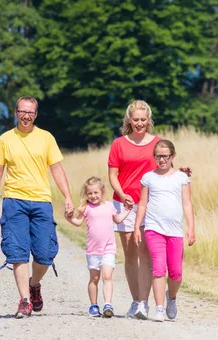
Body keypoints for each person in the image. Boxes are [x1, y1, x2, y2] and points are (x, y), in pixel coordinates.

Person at [0, 96, 75, 318]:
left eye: (30, 112)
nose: (26, 116)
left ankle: (34, 284)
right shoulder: (6, 139)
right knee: (17, 252)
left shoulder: (46, 138)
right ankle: (25, 300)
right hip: (14, 201)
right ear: (15, 112)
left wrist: (67, 196)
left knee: (45, 253)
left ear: (35, 114)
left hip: (41, 202)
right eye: (22, 111)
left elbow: (56, 169)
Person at [108, 100, 161, 320]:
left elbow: (165, 169)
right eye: (135, 120)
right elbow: (112, 175)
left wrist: (182, 173)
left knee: (145, 254)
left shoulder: (158, 143)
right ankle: (136, 300)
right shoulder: (119, 144)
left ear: (149, 120)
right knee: (130, 255)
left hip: (150, 205)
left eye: (143, 119)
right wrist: (122, 195)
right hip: (124, 204)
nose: (139, 123)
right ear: (129, 120)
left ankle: (144, 304)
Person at [134, 139, 195, 322]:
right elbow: (143, 204)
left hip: (175, 231)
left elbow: (187, 204)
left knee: (176, 272)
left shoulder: (181, 178)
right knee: (158, 268)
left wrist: (191, 227)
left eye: (165, 156)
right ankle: (159, 308)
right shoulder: (148, 178)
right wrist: (137, 227)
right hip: (154, 229)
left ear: (172, 156)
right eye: (158, 156)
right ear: (154, 157)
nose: (161, 160)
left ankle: (171, 298)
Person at [65, 176, 131, 318]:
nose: (93, 196)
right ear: (86, 194)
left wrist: (127, 210)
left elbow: (118, 219)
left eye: (96, 193)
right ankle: (93, 305)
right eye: (90, 193)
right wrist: (68, 217)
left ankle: (108, 304)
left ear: (102, 192)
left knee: (107, 276)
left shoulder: (109, 206)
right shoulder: (86, 208)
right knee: (94, 279)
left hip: (108, 248)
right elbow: (77, 222)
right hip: (93, 250)